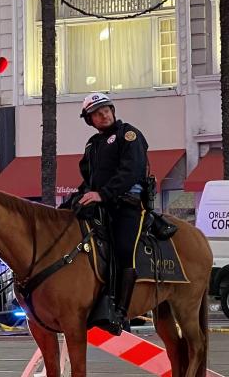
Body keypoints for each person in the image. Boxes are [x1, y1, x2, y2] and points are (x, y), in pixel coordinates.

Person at [73, 92, 151, 334]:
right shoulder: (92, 145)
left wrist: (103, 194)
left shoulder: (129, 135)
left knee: (123, 250)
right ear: (90, 120)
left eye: (106, 109)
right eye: (97, 113)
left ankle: (120, 313)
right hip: (101, 207)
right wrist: (78, 197)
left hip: (127, 206)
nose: (103, 114)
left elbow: (131, 172)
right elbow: (89, 180)